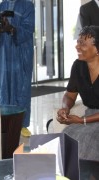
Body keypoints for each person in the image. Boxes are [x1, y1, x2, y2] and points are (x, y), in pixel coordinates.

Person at [0, 0, 35, 137]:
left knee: (21, 89)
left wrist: (11, 29)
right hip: (2, 56)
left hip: (21, 54)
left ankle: (22, 124)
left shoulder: (28, 6)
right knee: (2, 89)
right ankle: (3, 123)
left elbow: (28, 29)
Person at [56, 26, 99, 162]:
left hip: (90, 120)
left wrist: (82, 121)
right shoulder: (78, 66)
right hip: (90, 116)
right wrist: (65, 108)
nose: (77, 46)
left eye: (82, 43)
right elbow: (70, 95)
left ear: (97, 49)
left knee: (90, 139)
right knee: (67, 134)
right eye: (78, 41)